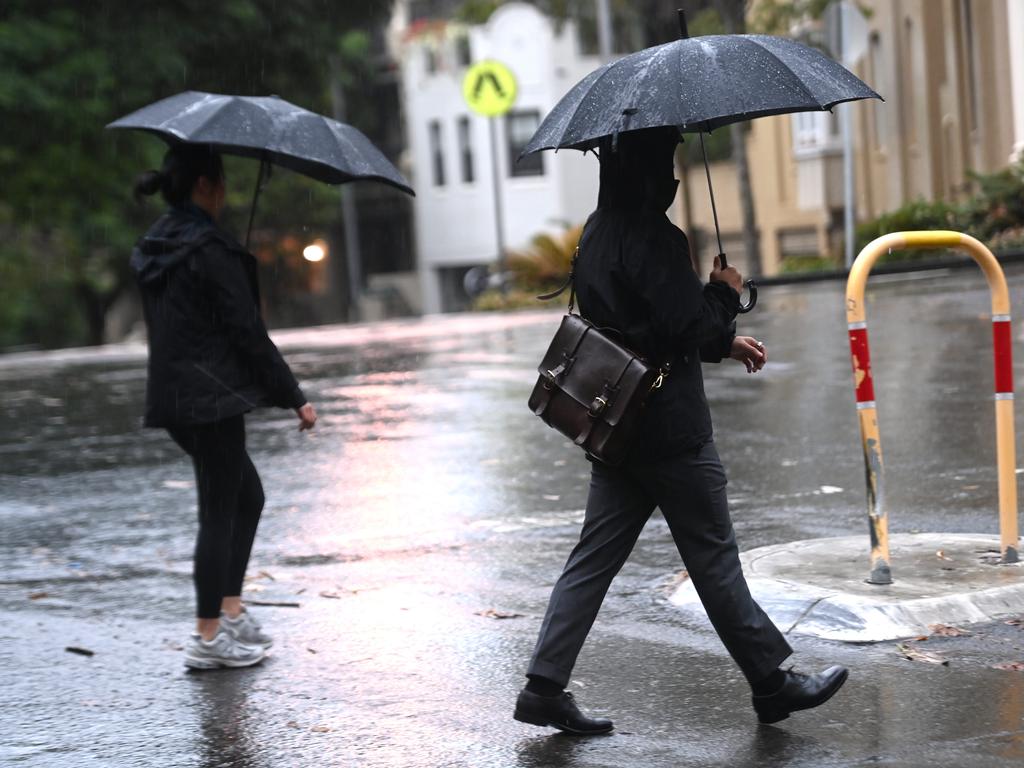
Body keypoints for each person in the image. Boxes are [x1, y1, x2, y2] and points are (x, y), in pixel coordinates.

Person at [514, 127, 847, 734]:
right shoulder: (654, 237)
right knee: (715, 562)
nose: (670, 174)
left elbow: (641, 324)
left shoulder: (596, 231)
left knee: (591, 560)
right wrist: (724, 297)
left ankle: (543, 685)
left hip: (616, 427)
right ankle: (773, 684)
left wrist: (724, 336)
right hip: (671, 433)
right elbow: (680, 326)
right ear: (646, 169)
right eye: (663, 160)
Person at [131, 143, 318, 670]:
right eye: (223, 183)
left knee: (246, 497)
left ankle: (229, 610)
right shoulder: (210, 250)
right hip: (210, 399)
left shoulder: (158, 244)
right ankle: (208, 636)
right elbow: (247, 334)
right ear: (205, 187)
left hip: (176, 395)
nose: (228, 193)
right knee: (218, 513)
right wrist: (294, 396)